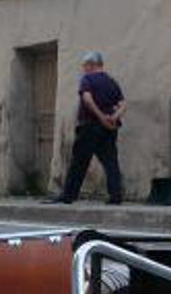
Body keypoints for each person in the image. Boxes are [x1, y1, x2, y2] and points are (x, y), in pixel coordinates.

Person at [44, 51, 126, 205]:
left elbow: (87, 99)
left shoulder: (87, 79)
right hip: (109, 128)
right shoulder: (111, 81)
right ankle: (116, 196)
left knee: (79, 162)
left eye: (84, 65)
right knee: (110, 162)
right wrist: (113, 118)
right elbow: (123, 104)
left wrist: (101, 117)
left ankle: (68, 195)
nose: (83, 68)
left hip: (89, 126)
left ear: (91, 64)